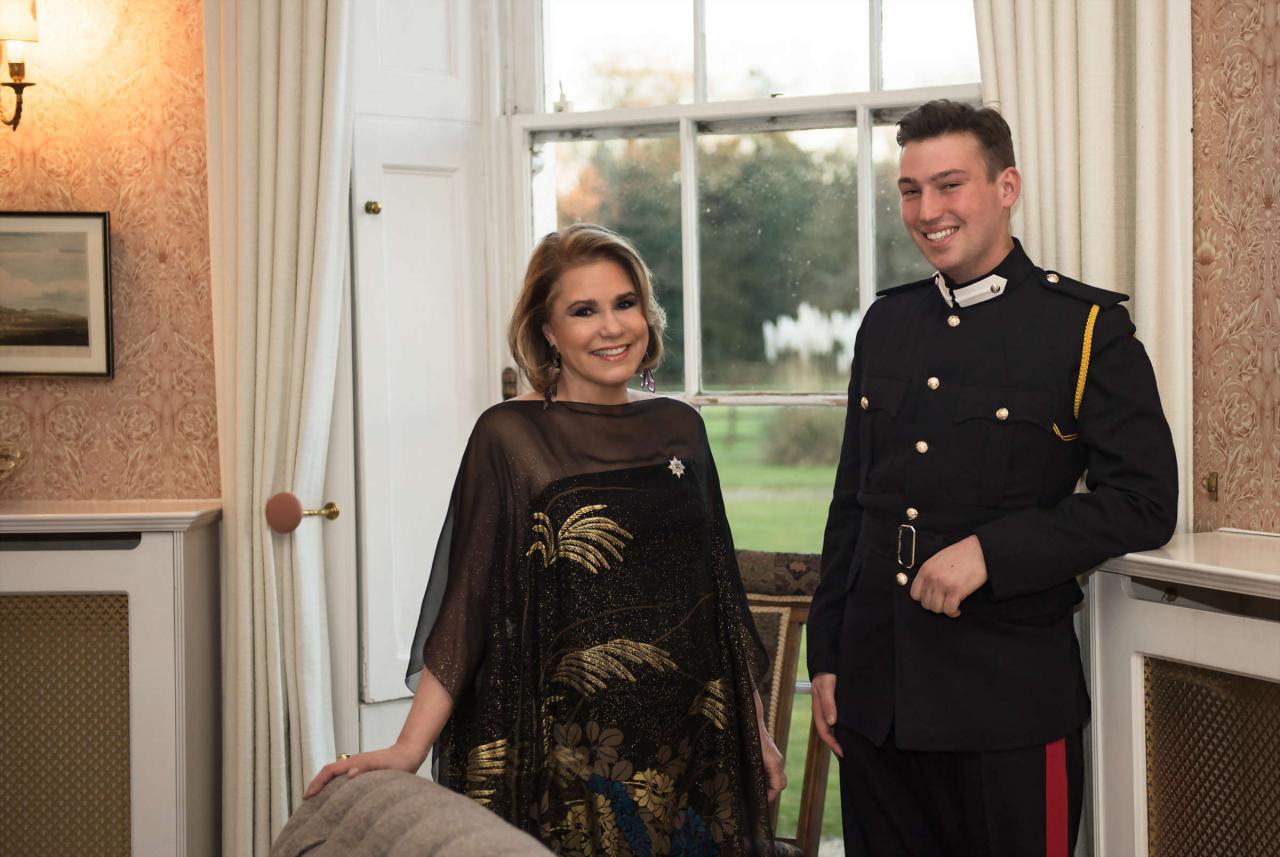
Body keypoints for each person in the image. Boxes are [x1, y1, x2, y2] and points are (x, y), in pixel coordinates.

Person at [306, 223, 785, 855]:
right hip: (574, 757)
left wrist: (756, 732)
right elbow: (468, 606)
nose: (612, 327)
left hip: (697, 742)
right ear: (548, 331)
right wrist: (407, 748)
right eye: (583, 311)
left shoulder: (681, 428)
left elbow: (719, 595)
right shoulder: (511, 438)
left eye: (625, 303)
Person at [807, 100, 1178, 856]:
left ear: (1006, 186)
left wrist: (991, 552)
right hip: (876, 697)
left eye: (950, 186)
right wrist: (828, 656)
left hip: (1005, 704)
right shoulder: (887, 323)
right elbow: (853, 501)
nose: (928, 211)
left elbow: (1144, 502)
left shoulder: (1083, 329)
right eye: (911, 190)